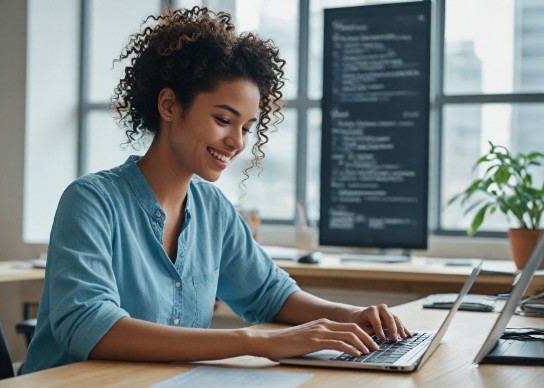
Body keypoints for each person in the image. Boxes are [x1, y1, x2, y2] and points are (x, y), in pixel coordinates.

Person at [21, 6, 411, 374]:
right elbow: (91, 328)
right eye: (224, 119)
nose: (237, 142)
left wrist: (350, 316)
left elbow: (269, 295)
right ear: (169, 105)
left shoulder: (213, 209)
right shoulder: (91, 201)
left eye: (246, 127)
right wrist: (254, 342)